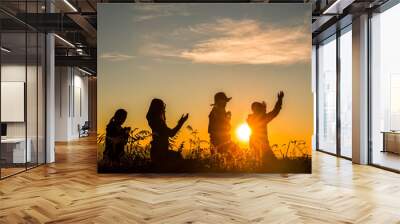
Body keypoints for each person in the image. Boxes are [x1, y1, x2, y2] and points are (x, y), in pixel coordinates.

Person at [146, 98, 189, 169]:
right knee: (179, 160)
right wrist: (181, 123)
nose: (164, 108)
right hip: (161, 154)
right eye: (163, 107)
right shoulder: (158, 122)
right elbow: (171, 133)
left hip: (157, 153)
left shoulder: (154, 121)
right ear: (159, 108)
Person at [247, 91, 284, 165]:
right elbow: (275, 112)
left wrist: (279, 100)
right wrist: (279, 100)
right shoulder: (262, 119)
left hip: (254, 143)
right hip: (262, 145)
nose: (264, 111)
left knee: (257, 163)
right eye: (261, 109)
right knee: (272, 164)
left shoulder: (252, 119)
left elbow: (274, 112)